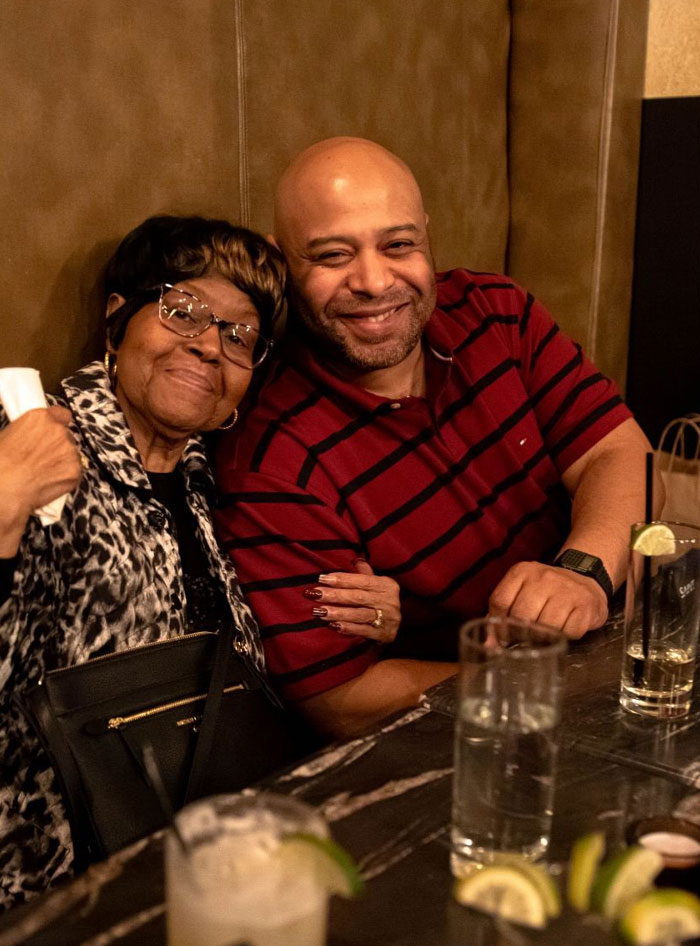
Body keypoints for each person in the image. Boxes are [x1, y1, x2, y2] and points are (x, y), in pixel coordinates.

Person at [0, 214, 398, 910]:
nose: (210, 345)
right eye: (183, 310)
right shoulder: (30, 437)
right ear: (116, 322)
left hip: (207, 856)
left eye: (238, 334)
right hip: (54, 886)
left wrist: (366, 616)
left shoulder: (209, 483)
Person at [215, 137, 660, 739]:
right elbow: (337, 700)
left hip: (626, 657)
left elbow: (620, 451)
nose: (373, 282)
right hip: (474, 735)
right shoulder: (273, 458)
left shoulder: (496, 311)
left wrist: (583, 572)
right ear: (281, 263)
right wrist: (523, 682)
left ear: (426, 234)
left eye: (398, 245)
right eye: (332, 255)